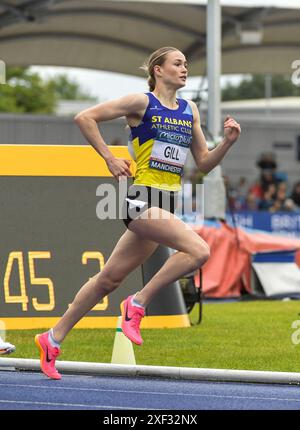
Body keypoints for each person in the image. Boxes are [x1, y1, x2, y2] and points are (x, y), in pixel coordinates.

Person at [35, 46, 241, 380]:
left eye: (186, 64)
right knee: (199, 250)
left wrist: (228, 143)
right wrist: (109, 157)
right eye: (178, 63)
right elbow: (84, 117)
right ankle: (138, 303)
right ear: (158, 70)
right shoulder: (141, 102)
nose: (185, 69)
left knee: (108, 279)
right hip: (141, 198)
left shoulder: (190, 110)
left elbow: (203, 162)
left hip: (167, 202)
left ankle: (52, 338)